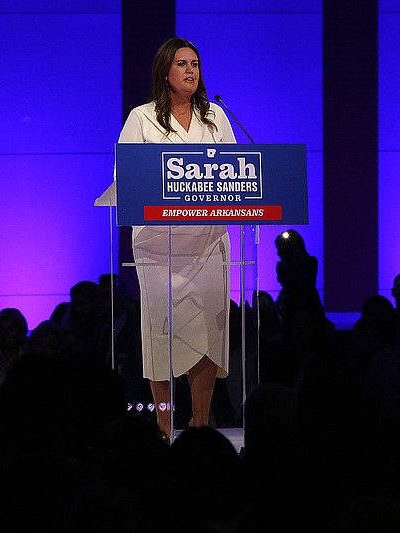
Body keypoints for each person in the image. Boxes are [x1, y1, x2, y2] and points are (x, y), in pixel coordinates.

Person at [114, 37, 237, 436]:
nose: (190, 70)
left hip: (208, 241)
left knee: (208, 333)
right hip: (158, 247)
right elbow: (125, 178)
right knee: (162, 333)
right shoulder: (142, 118)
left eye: (195, 63)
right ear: (165, 72)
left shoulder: (215, 116)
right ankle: (164, 424)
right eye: (182, 63)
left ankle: (200, 423)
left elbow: (237, 175)